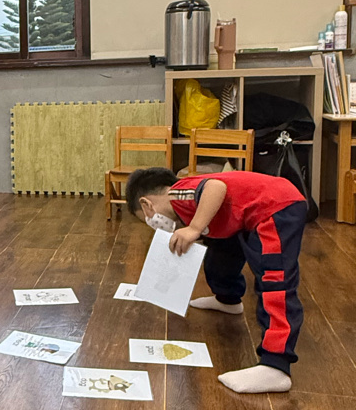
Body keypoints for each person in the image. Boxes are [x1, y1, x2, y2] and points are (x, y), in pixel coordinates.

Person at [126, 167, 308, 394]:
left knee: (275, 280)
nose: (152, 223)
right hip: (246, 217)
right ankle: (227, 298)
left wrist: (194, 228)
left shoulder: (178, 193)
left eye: (146, 219)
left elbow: (215, 187)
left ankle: (276, 364)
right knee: (221, 253)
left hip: (276, 207)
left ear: (146, 205)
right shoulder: (185, 209)